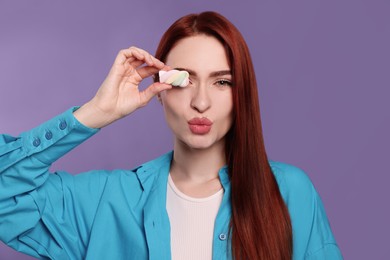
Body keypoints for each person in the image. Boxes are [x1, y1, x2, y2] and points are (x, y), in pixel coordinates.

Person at [0, 11, 342, 260]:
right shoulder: (104, 201)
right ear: (160, 89)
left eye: (222, 82)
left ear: (242, 94)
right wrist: (94, 114)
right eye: (184, 79)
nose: (201, 102)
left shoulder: (290, 192)